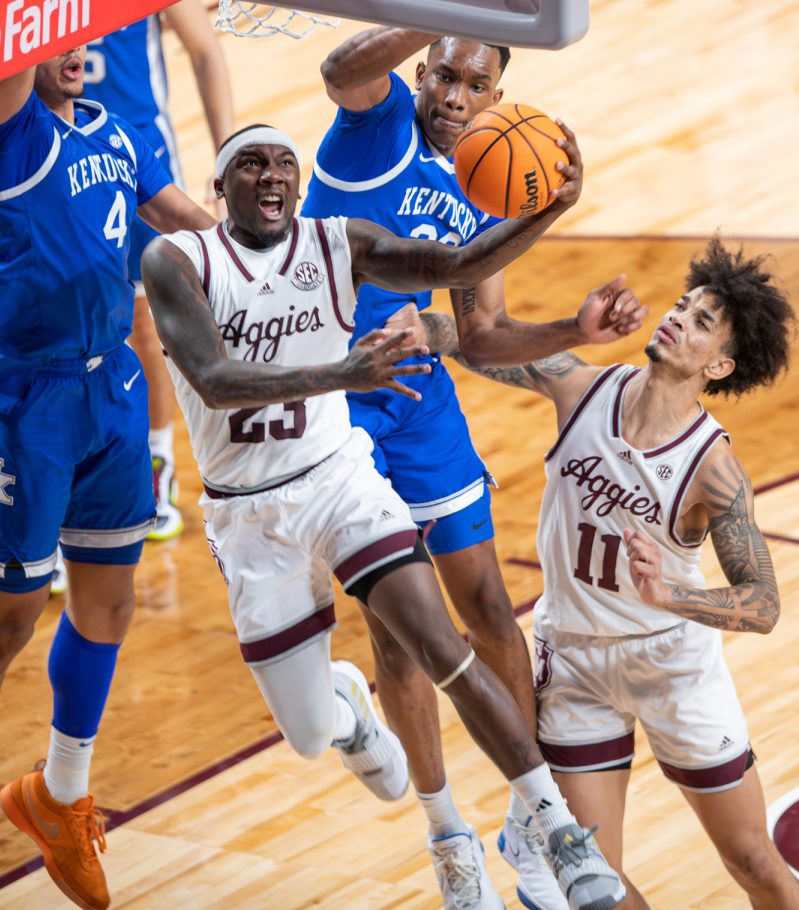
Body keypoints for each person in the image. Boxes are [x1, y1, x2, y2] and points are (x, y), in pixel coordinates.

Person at [141, 123, 630, 910]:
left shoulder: (338, 241)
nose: (271, 176)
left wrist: (550, 208)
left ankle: (550, 827)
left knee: (438, 638)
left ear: (298, 190)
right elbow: (215, 378)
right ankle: (347, 711)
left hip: (338, 480)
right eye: (251, 164)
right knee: (305, 734)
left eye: (284, 167)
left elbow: (458, 265)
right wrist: (344, 370)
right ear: (218, 186)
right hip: (249, 517)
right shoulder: (176, 262)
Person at [302, 27, 645, 907]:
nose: (455, 96)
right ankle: (447, 832)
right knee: (401, 631)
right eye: (445, 76)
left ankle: (534, 820)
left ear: (497, 97)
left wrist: (575, 330)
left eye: (475, 84)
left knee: (491, 609)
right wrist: (432, 5)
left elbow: (483, 332)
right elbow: (342, 67)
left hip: (416, 400)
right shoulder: (375, 128)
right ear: (421, 72)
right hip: (334, 400)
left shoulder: (495, 178)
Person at [0, 46, 215, 910]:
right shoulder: (5, 132)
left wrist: (269, 246)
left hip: (110, 388)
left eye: (86, 39)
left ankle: (61, 793)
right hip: (27, 402)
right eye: (58, 40)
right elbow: (10, 43)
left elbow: (184, 216)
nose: (79, 54)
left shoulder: (111, 130)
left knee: (109, 603)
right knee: (10, 618)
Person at [419, 236, 799, 909]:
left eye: (700, 320)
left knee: (750, 858)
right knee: (590, 879)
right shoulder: (580, 387)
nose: (677, 317)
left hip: (672, 666)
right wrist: (463, 257)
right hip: (574, 662)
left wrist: (674, 592)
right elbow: (474, 338)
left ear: (719, 364)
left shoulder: (713, 470)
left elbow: (763, 603)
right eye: (682, 304)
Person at [81, 3, 236, 542]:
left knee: (147, 323)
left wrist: (227, 160)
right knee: (72, 319)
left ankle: (156, 458)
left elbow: (205, 49)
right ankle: (73, 466)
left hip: (136, 161)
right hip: (58, 157)